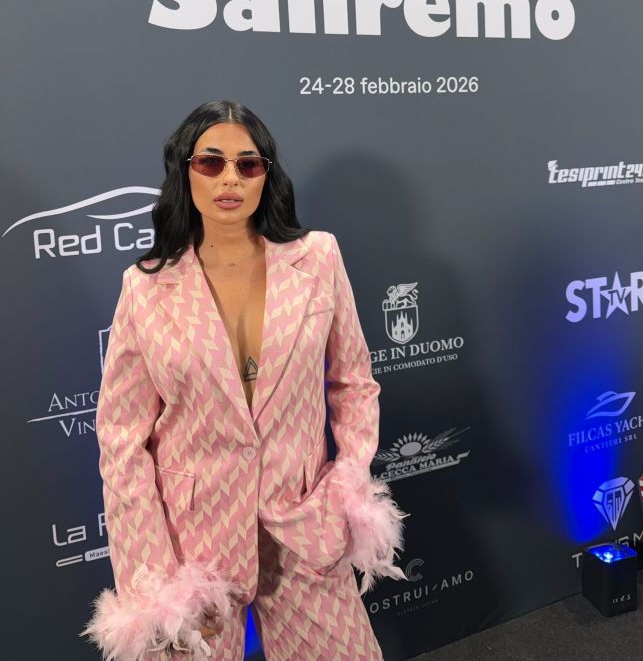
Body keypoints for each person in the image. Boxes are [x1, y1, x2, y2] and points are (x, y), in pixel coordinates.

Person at [80, 99, 406, 661]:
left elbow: (353, 383)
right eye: (211, 162)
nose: (230, 177)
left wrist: (345, 485)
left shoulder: (318, 259)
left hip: (305, 522)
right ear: (185, 170)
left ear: (266, 175)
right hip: (191, 551)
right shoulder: (144, 287)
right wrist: (156, 580)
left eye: (247, 164)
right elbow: (121, 437)